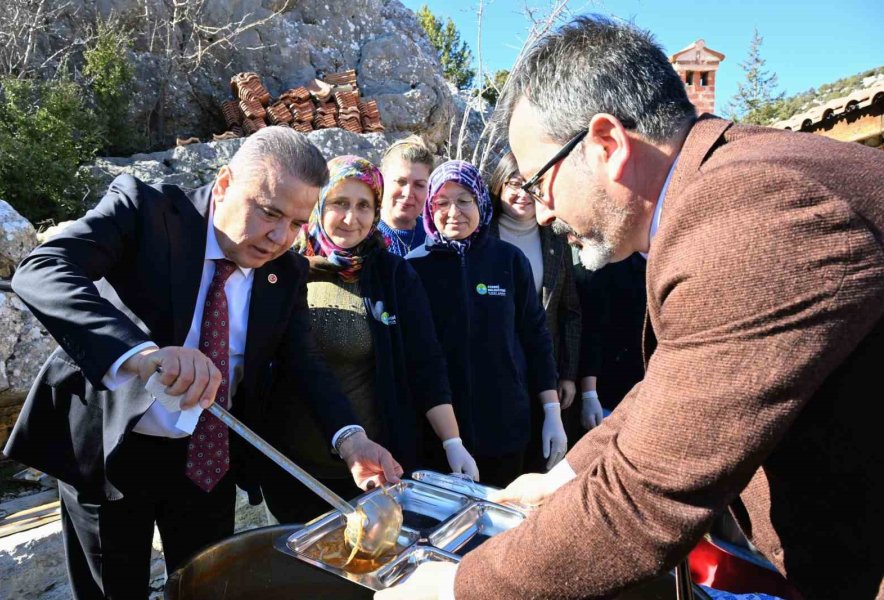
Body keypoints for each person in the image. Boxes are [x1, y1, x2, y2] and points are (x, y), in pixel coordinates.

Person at [378, 15, 884, 600]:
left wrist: (454, 588)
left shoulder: (753, 212)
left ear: (606, 144)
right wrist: (562, 477)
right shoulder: (732, 183)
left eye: (541, 182)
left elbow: (647, 498)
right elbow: (676, 390)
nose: (542, 212)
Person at [3, 127, 402, 600]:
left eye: (297, 223)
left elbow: (304, 361)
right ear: (226, 183)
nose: (279, 237)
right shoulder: (145, 211)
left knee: (210, 588)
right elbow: (44, 268)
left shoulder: (287, 270)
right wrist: (141, 354)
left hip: (206, 458)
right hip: (111, 448)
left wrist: (351, 439)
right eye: (269, 212)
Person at [261, 156, 477, 523]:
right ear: (318, 204)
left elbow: (425, 363)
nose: (351, 218)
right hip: (292, 467)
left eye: (364, 206)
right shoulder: (283, 269)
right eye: (339, 203)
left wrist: (452, 442)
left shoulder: (393, 275)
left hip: (372, 469)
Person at [406, 160, 567, 489]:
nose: (454, 212)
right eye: (442, 202)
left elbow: (536, 337)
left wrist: (552, 411)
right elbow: (417, 358)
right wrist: (449, 440)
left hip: (507, 426)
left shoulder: (508, 260)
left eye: (464, 200)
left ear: (480, 201)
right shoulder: (412, 269)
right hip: (439, 435)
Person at [489, 152, 598, 458]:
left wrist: (567, 374)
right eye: (513, 183)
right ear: (498, 186)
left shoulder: (554, 239)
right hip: (495, 370)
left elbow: (570, 311)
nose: (522, 193)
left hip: (544, 369)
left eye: (529, 184)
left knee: (544, 456)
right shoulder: (482, 235)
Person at [574, 250, 646, 412]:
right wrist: (589, 393)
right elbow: (592, 334)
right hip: (612, 390)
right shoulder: (609, 271)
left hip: (647, 385)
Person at [377, 136, 434, 257]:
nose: (408, 193)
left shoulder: (435, 238)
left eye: (419, 185)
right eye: (400, 182)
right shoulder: (363, 237)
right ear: (381, 181)